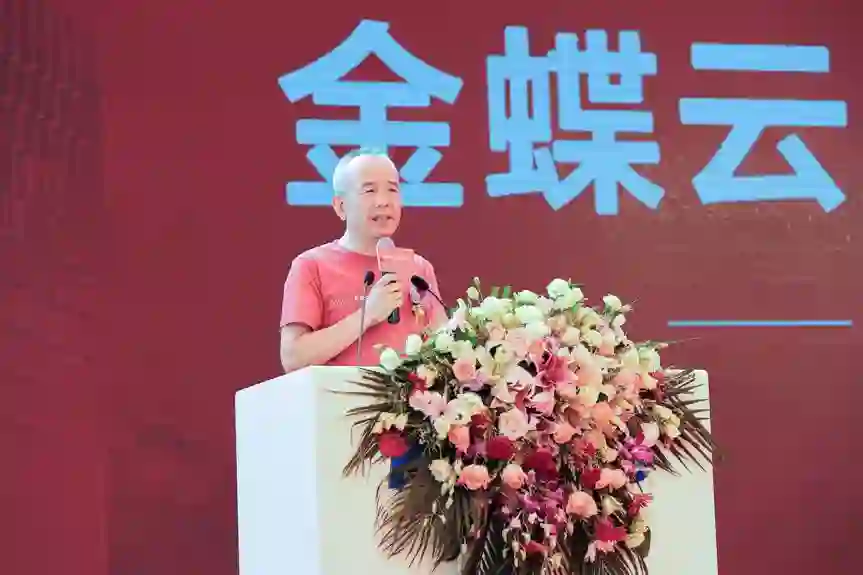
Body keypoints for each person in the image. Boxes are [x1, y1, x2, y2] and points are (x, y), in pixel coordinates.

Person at [279, 149, 444, 373]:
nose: (383, 201)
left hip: (409, 396)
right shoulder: (311, 265)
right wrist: (368, 315)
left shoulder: (420, 268)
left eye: (392, 189)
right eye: (369, 190)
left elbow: (444, 348)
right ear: (341, 206)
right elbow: (293, 357)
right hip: (338, 395)